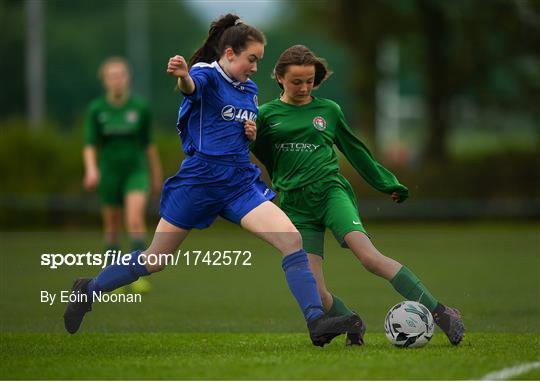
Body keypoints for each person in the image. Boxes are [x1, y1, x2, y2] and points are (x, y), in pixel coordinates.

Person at [65, 15, 362, 347]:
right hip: (200, 182)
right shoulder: (205, 74)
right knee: (156, 259)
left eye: (259, 61)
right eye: (252, 59)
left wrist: (250, 132)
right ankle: (88, 290)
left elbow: (234, 128)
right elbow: (190, 89)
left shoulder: (249, 89)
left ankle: (316, 323)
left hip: (238, 182)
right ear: (231, 53)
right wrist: (182, 77)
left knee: (291, 240)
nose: (254, 67)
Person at [250, 45, 465, 346]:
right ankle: (351, 322)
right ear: (280, 78)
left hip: (330, 193)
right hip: (295, 205)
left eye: (310, 81)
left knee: (369, 258)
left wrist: (388, 182)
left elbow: (357, 152)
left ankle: (443, 313)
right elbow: (261, 155)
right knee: (316, 290)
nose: (304, 87)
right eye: (297, 81)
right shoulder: (265, 115)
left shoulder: (329, 111)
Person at [83, 56, 163, 294]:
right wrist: (91, 169)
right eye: (111, 76)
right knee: (112, 226)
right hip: (109, 173)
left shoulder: (140, 107)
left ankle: (136, 274)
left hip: (135, 172)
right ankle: (112, 277)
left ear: (127, 78)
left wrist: (156, 173)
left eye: (120, 75)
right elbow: (90, 144)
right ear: (104, 81)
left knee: (135, 219)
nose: (116, 80)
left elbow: (149, 144)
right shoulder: (97, 109)